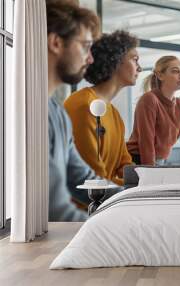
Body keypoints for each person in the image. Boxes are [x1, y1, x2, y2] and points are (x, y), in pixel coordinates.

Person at [47, 1, 101, 221]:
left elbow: (83, 179)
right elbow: (55, 209)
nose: (90, 59)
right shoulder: (24, 113)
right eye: (86, 46)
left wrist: (133, 199)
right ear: (56, 42)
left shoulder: (57, 113)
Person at [64, 31, 141, 185]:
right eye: (134, 60)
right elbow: (91, 178)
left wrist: (147, 181)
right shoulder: (83, 106)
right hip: (85, 205)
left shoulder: (114, 114)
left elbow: (123, 165)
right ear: (115, 61)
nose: (140, 68)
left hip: (106, 200)